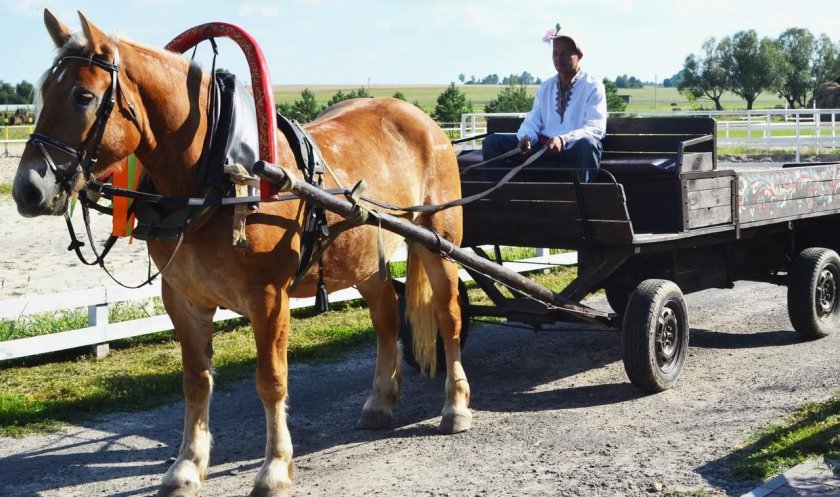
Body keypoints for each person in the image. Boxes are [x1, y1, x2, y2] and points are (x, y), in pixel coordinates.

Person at [482, 26, 607, 182]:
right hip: (543, 152)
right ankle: (497, 195)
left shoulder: (593, 86)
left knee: (588, 144)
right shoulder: (546, 87)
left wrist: (564, 139)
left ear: (579, 55)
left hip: (573, 153)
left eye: (564, 54)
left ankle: (584, 196)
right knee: (492, 142)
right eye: (555, 53)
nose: (558, 58)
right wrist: (527, 137)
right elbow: (533, 119)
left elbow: (596, 128)